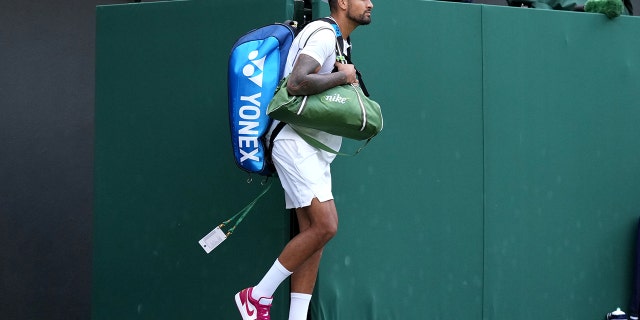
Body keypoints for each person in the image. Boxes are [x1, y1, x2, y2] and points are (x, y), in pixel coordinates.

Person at [234, 0, 373, 319]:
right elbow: (296, 83)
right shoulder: (324, 34)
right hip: (296, 145)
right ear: (341, 2)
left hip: (313, 148)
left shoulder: (341, 41)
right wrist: (342, 77)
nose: (370, 3)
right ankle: (256, 296)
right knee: (326, 225)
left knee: (313, 236)